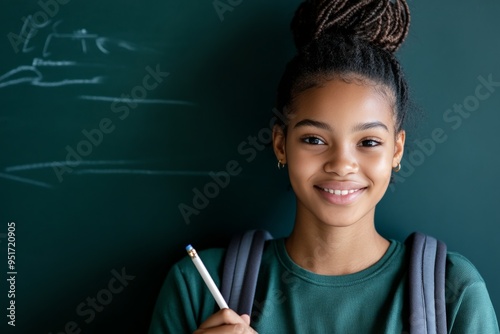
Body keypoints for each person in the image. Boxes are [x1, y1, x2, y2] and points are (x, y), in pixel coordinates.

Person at [149, 0, 500, 333]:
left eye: (369, 142)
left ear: (397, 150)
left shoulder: (453, 292)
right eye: (314, 139)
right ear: (280, 143)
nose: (342, 164)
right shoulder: (198, 287)